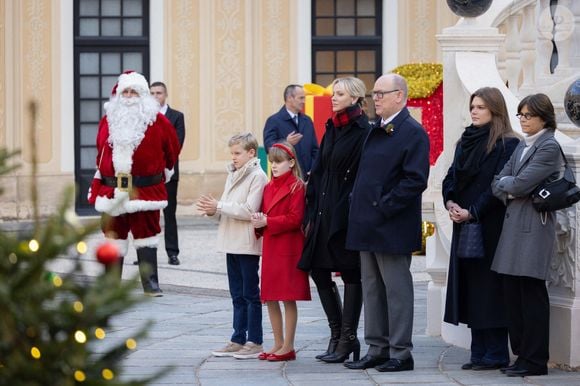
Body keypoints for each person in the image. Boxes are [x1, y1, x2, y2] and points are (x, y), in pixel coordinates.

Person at [345, 73, 429, 372]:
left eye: (381, 93)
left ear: (400, 96)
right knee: (372, 289)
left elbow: (415, 180)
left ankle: (401, 353)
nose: (375, 98)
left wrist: (383, 206)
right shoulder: (374, 129)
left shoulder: (412, 132)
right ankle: (377, 348)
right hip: (367, 223)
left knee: (397, 290)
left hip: (391, 225)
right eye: (374, 93)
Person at [442, 87, 519, 371]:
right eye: (473, 106)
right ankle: (478, 352)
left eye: (481, 107)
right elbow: (450, 175)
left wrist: (472, 211)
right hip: (464, 223)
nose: (474, 111)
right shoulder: (465, 140)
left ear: (495, 111)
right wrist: (450, 202)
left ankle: (496, 352)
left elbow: (499, 184)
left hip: (492, 225)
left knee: (491, 289)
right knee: (471, 287)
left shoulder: (507, 144)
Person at [297, 77, 371, 364]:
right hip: (322, 211)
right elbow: (319, 170)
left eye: (339, 94)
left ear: (354, 98)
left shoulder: (364, 130)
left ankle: (348, 338)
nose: (334, 97)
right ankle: (337, 332)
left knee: (351, 272)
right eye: (333, 93)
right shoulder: (331, 126)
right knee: (318, 269)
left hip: (346, 213)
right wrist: (310, 209)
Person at [88, 70, 180, 296]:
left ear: (143, 96)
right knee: (113, 236)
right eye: (125, 91)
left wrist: (164, 171)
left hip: (144, 189)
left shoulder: (159, 122)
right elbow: (99, 151)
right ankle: (111, 285)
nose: (129, 96)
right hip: (113, 189)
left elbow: (172, 150)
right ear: (118, 94)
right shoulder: (108, 120)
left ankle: (150, 283)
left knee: (147, 235)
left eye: (134, 92)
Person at [491, 93, 563, 377]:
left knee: (531, 295)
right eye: (520, 115)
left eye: (528, 115)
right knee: (513, 295)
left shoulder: (548, 146)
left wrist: (510, 185)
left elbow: (518, 184)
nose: (522, 120)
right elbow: (497, 182)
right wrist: (511, 185)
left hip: (534, 227)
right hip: (513, 228)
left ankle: (535, 360)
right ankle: (521, 356)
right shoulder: (522, 145)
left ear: (544, 117)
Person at [196, 133, 268, 359]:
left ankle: (255, 340)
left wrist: (219, 206)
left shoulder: (258, 176)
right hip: (231, 241)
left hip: (246, 243)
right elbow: (227, 208)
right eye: (232, 153)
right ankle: (237, 338)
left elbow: (249, 210)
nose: (234, 157)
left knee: (250, 294)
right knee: (237, 294)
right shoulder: (234, 173)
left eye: (237, 153)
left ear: (251, 153)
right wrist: (213, 210)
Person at [251, 142, 311, 362]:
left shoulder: (297, 186)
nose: (274, 166)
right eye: (272, 161)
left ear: (291, 163)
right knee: (270, 297)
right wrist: (259, 221)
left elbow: (296, 219)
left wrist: (267, 221)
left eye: (279, 162)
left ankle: (288, 346)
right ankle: (277, 343)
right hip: (272, 247)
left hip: (289, 247)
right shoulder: (268, 187)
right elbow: (264, 213)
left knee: (288, 298)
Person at [150, 81, 185, 266]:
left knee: (169, 214)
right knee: (148, 215)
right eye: (153, 93)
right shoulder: (144, 116)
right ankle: (147, 252)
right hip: (148, 175)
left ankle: (172, 252)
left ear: (166, 94)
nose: (156, 96)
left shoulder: (177, 116)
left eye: (159, 93)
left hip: (169, 172)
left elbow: (176, 145)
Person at [263, 84, 319, 177]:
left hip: (308, 180)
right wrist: (286, 143)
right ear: (289, 98)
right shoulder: (273, 121)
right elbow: (269, 148)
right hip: (285, 180)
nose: (304, 101)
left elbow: (315, 150)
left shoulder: (307, 120)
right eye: (301, 98)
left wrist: (313, 170)